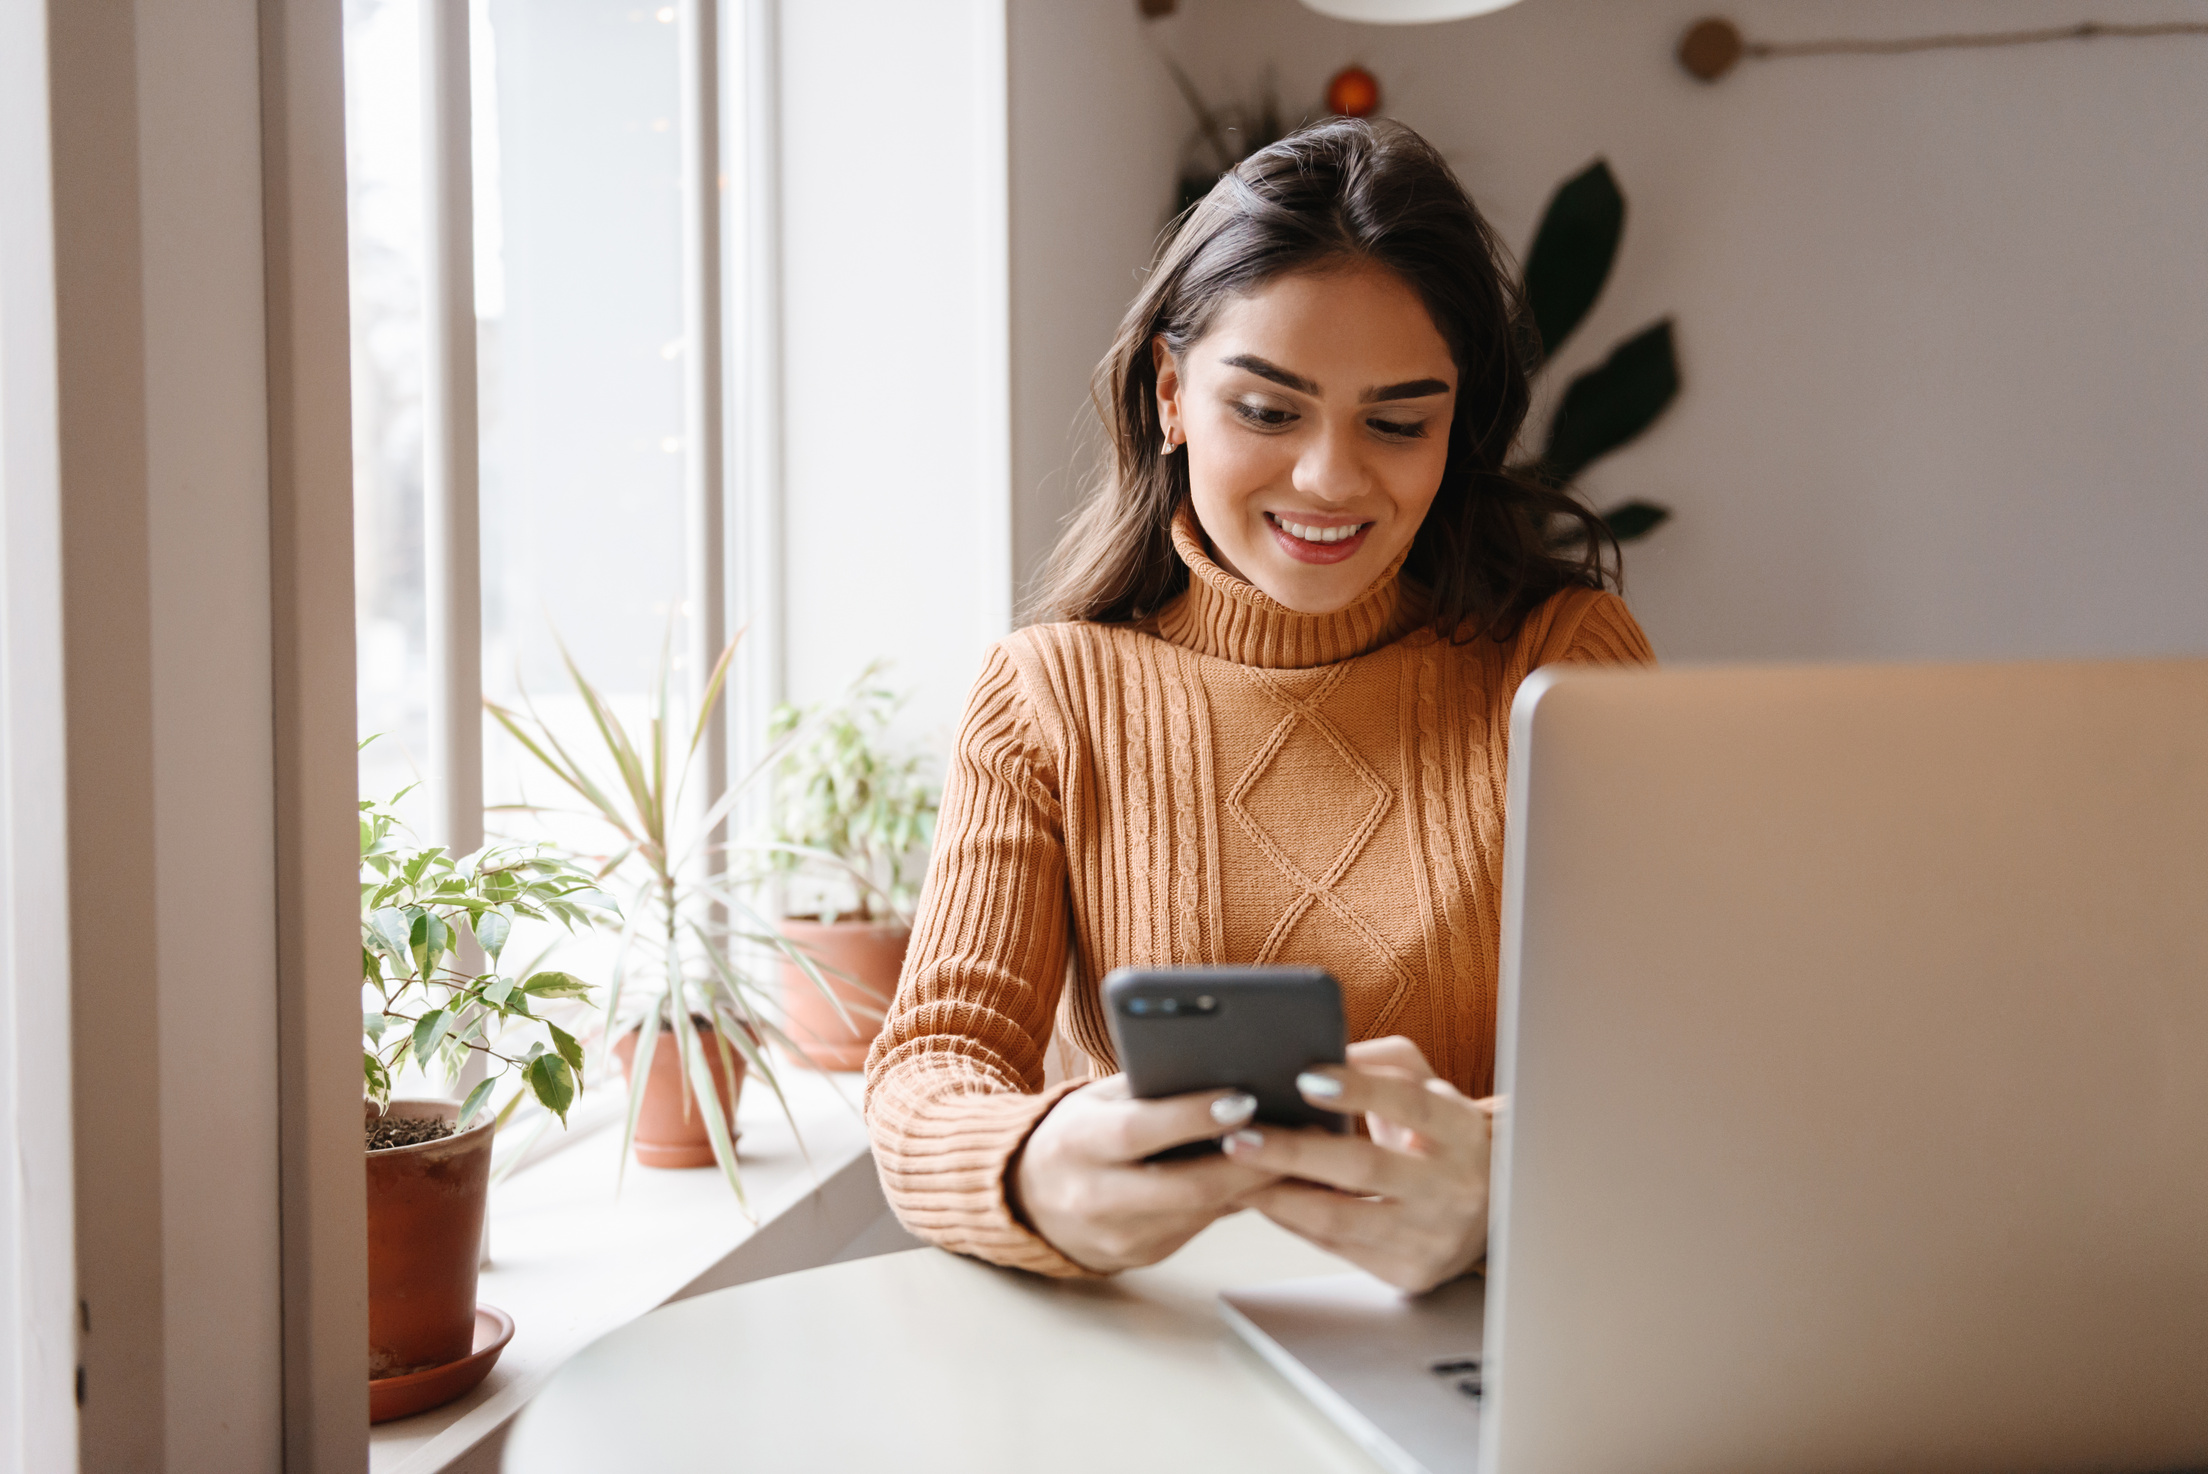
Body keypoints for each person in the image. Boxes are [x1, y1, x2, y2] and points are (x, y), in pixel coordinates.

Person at [863, 117, 1653, 1292]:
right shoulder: (1048, 696)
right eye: (1269, 410)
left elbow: (1686, 1058)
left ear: (1458, 427)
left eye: (1398, 421)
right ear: (1172, 393)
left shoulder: (1564, 662)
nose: (1332, 477)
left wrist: (1501, 1179)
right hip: (1167, 1343)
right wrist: (1034, 1162)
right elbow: (933, 1062)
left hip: (1500, 1345)